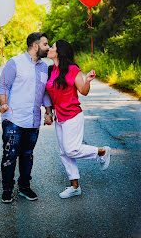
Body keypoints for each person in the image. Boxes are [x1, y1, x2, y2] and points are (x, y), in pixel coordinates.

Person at [45, 39, 111, 199]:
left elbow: (83, 91)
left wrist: (87, 81)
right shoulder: (51, 70)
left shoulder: (73, 70)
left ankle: (101, 151)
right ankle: (75, 187)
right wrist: (49, 112)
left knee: (71, 149)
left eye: (52, 47)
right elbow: (50, 93)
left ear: (59, 52)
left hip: (73, 115)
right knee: (64, 153)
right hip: (59, 116)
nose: (49, 48)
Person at [0, 32, 53, 203]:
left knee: (27, 155)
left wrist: (49, 112)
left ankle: (24, 188)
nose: (48, 47)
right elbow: (3, 85)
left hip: (33, 120)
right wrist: (3, 103)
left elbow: (44, 93)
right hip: (13, 119)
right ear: (35, 46)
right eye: (45, 44)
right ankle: (7, 189)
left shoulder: (44, 67)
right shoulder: (15, 62)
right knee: (10, 156)